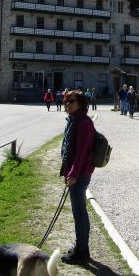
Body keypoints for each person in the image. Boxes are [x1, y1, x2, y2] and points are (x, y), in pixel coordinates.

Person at [59, 89, 96, 265]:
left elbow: (81, 152)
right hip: (76, 172)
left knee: (79, 213)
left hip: (80, 174)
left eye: (71, 101)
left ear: (80, 103)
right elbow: (69, 148)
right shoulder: (74, 121)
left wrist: (73, 173)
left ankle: (81, 251)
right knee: (80, 211)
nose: (67, 105)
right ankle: (83, 248)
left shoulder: (83, 123)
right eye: (66, 101)